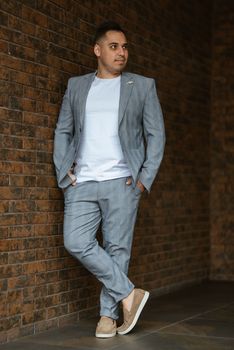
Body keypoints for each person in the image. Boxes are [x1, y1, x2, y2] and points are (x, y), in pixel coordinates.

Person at [53, 21, 165, 338]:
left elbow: (156, 135)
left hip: (123, 182)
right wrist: (65, 173)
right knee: (75, 240)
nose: (122, 52)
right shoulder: (77, 86)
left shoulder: (142, 86)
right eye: (114, 46)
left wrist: (144, 179)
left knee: (117, 249)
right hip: (82, 182)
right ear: (97, 49)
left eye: (125, 46)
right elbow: (63, 130)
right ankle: (129, 294)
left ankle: (107, 316)